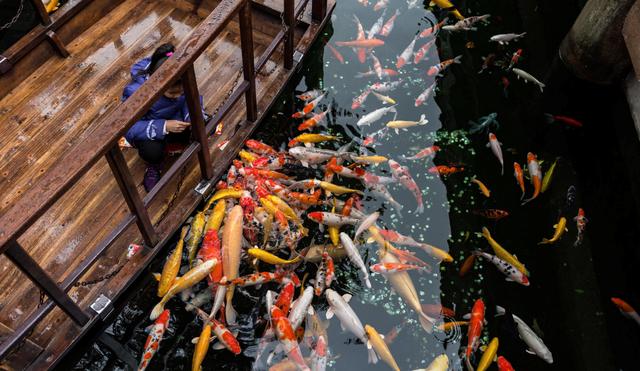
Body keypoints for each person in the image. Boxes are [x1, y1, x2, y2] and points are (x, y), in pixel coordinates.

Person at [121, 43, 204, 192]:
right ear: (156, 83)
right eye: (172, 94)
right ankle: (154, 166)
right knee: (152, 151)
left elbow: (192, 97)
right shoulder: (135, 93)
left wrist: (190, 115)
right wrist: (164, 126)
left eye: (181, 92)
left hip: (176, 120)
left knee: (198, 122)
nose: (178, 96)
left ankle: (174, 145)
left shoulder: (182, 78)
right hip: (149, 129)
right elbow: (129, 128)